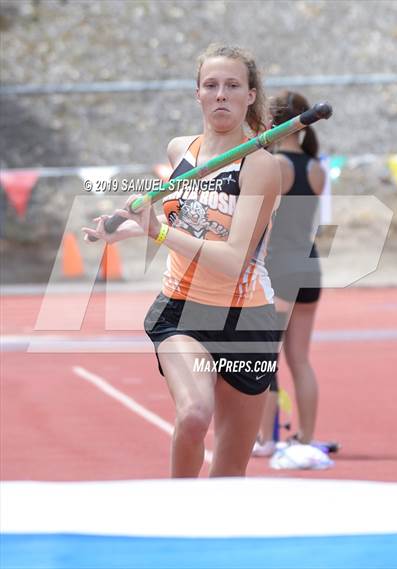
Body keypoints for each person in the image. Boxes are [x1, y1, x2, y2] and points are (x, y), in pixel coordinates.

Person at [83, 44, 282, 478]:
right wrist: (125, 226)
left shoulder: (262, 167)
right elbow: (181, 219)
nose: (221, 95)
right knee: (194, 415)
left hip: (247, 319)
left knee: (229, 474)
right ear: (198, 94)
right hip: (183, 309)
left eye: (233, 86)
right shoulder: (180, 150)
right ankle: (175, 517)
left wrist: (156, 231)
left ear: (250, 95)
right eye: (211, 86)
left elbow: (232, 260)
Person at [252, 90, 326, 457]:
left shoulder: (275, 166)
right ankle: (306, 438)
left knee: (265, 353)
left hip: (280, 266)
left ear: (274, 122)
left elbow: (263, 223)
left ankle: (266, 439)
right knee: (300, 358)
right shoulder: (317, 169)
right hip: (310, 265)